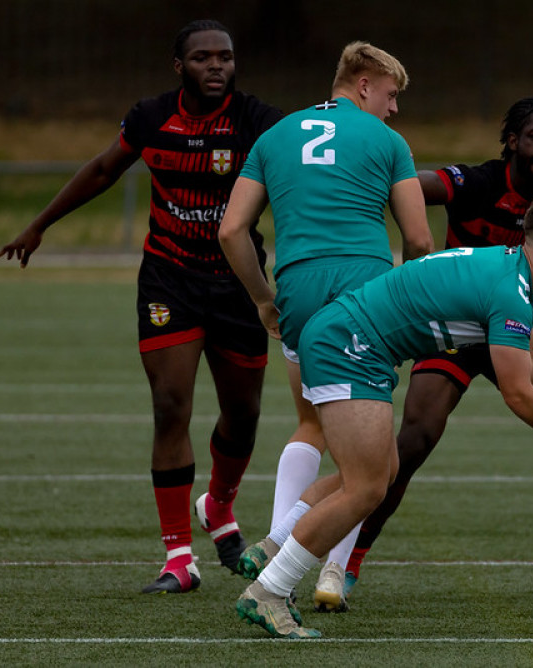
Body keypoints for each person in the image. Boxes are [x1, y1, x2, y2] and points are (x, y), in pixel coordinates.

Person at [229, 194, 533, 638]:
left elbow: (528, 363)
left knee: (381, 470)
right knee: (367, 486)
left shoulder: (512, 274)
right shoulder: (511, 287)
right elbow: (519, 395)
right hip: (350, 348)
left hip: (347, 342)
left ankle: (274, 544)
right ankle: (269, 591)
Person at [0, 21, 285, 593]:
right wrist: (39, 225)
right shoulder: (153, 117)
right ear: (178, 66)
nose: (216, 66)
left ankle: (220, 506)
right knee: (169, 405)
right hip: (169, 280)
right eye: (202, 57)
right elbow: (105, 168)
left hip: (237, 284)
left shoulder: (258, 122)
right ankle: (179, 556)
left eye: (225, 57)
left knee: (244, 414)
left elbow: (305, 179)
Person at [216, 42, 434, 608]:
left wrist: (265, 300)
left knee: (311, 423)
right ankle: (326, 570)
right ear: (363, 85)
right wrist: (406, 306)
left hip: (297, 289)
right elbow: (418, 240)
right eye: (390, 96)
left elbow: (231, 231)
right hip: (363, 294)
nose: (393, 109)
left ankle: (275, 541)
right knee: (371, 461)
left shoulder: (274, 135)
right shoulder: (387, 142)